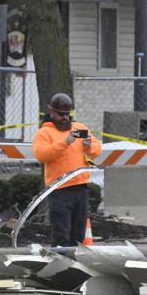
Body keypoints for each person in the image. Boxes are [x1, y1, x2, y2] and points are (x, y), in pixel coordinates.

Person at [32, 93, 102, 247]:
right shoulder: (44, 133)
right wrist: (64, 143)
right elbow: (42, 154)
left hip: (81, 189)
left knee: (78, 237)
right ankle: (59, 269)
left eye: (67, 114)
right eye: (61, 114)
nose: (65, 118)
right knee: (61, 236)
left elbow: (98, 150)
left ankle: (74, 268)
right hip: (60, 190)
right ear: (51, 113)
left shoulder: (79, 128)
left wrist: (90, 146)